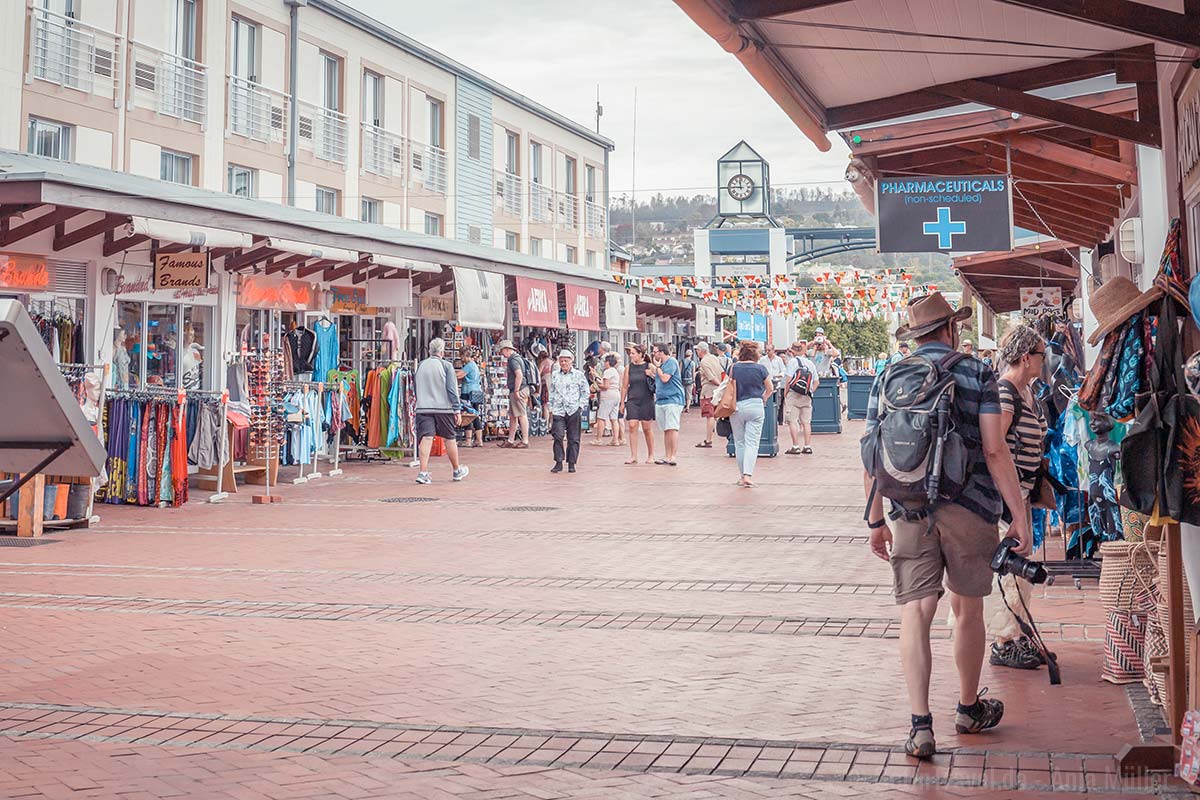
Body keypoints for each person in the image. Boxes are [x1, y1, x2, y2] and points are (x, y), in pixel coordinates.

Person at [863, 292, 1029, 759]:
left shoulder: (887, 376)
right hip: (970, 508)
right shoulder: (977, 372)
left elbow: (873, 456)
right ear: (952, 329)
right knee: (967, 610)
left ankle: (919, 726)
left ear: (915, 336)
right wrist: (1019, 515)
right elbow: (996, 451)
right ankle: (967, 706)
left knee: (914, 613)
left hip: (908, 509)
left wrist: (875, 519)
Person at [989, 324, 1049, 670]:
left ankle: (1017, 634)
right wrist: (1013, 505)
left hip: (1022, 492)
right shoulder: (1006, 393)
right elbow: (995, 447)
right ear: (1026, 357)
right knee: (1011, 568)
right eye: (1041, 354)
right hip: (1005, 497)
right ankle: (1004, 640)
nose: (1045, 360)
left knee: (1021, 567)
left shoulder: (1029, 392)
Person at [413, 338, 469, 485]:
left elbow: (415, 386)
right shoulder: (446, 366)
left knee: (426, 438)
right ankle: (456, 470)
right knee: (449, 438)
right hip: (443, 408)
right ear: (442, 352)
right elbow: (451, 389)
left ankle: (423, 472)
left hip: (423, 407)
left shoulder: (421, 365)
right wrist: (456, 409)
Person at [730, 341, 772, 487]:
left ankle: (742, 476)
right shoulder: (761, 369)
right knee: (752, 443)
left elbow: (731, 387)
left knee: (739, 442)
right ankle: (748, 474)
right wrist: (764, 398)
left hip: (737, 406)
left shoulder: (734, 367)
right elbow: (770, 388)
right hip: (755, 405)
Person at [545, 349, 588, 473]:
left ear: (571, 361)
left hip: (573, 409)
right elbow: (551, 391)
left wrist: (581, 406)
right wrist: (551, 407)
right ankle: (558, 461)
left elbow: (585, 391)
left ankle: (572, 462)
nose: (563, 363)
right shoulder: (555, 375)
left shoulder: (578, 375)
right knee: (558, 435)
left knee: (573, 438)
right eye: (561, 361)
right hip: (559, 409)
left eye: (566, 361)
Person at [649, 342, 684, 465]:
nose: (653, 354)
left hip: (673, 399)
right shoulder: (662, 364)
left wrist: (657, 368)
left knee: (672, 427)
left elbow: (665, 378)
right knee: (665, 429)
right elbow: (659, 378)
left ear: (662, 352)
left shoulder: (671, 362)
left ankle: (673, 455)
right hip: (661, 399)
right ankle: (667, 455)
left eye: (655, 351)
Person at [621, 342, 656, 464]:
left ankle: (651, 454)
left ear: (641, 354)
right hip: (632, 400)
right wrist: (622, 403)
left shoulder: (649, 366)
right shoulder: (628, 368)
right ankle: (633, 455)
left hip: (646, 400)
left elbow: (659, 381)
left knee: (647, 428)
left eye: (633, 353)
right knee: (632, 425)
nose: (631, 355)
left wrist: (651, 374)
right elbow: (625, 386)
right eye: (630, 353)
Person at [783, 340, 818, 455]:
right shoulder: (810, 363)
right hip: (806, 395)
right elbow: (817, 382)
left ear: (792, 351)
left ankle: (795, 446)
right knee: (806, 422)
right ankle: (807, 446)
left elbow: (788, 380)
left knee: (792, 421)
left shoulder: (792, 362)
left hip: (793, 394)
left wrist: (786, 394)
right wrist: (810, 391)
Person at [498, 339, 529, 449]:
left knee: (521, 414)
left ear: (506, 350)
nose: (502, 354)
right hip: (518, 389)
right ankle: (510, 440)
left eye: (502, 351)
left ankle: (525, 440)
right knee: (513, 416)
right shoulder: (516, 358)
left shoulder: (513, 360)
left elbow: (519, 375)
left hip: (519, 390)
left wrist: (516, 390)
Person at [696, 342, 722, 448]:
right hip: (717, 391)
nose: (697, 352)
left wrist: (720, 385)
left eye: (697, 350)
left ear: (701, 351)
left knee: (710, 415)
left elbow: (710, 377)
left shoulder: (704, 362)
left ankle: (708, 439)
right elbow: (721, 372)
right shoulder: (715, 358)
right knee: (717, 414)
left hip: (708, 391)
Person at [459, 347, 485, 448]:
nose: (460, 358)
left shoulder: (469, 365)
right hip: (476, 392)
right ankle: (478, 440)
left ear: (465, 355)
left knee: (468, 415)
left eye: (461, 356)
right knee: (474, 416)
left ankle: (469, 441)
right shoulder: (473, 365)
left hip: (468, 393)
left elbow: (460, 375)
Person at [593, 354, 621, 446]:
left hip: (608, 396)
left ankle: (599, 439)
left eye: (605, 362)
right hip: (616, 394)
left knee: (601, 417)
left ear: (608, 362)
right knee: (614, 418)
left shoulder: (607, 372)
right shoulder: (615, 371)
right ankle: (615, 439)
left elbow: (605, 386)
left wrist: (597, 384)